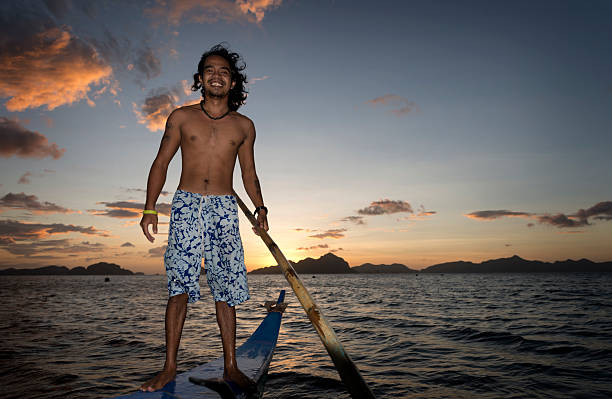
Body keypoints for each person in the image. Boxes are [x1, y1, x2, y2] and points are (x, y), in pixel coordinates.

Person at [138, 44, 268, 393]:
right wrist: (150, 207)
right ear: (200, 78)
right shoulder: (181, 117)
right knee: (179, 285)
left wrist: (260, 208)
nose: (216, 75)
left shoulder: (244, 126)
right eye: (210, 69)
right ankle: (168, 368)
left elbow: (249, 173)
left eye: (224, 71)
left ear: (233, 82)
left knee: (224, 288)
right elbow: (161, 162)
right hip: (186, 206)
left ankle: (230, 366)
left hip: (225, 208)